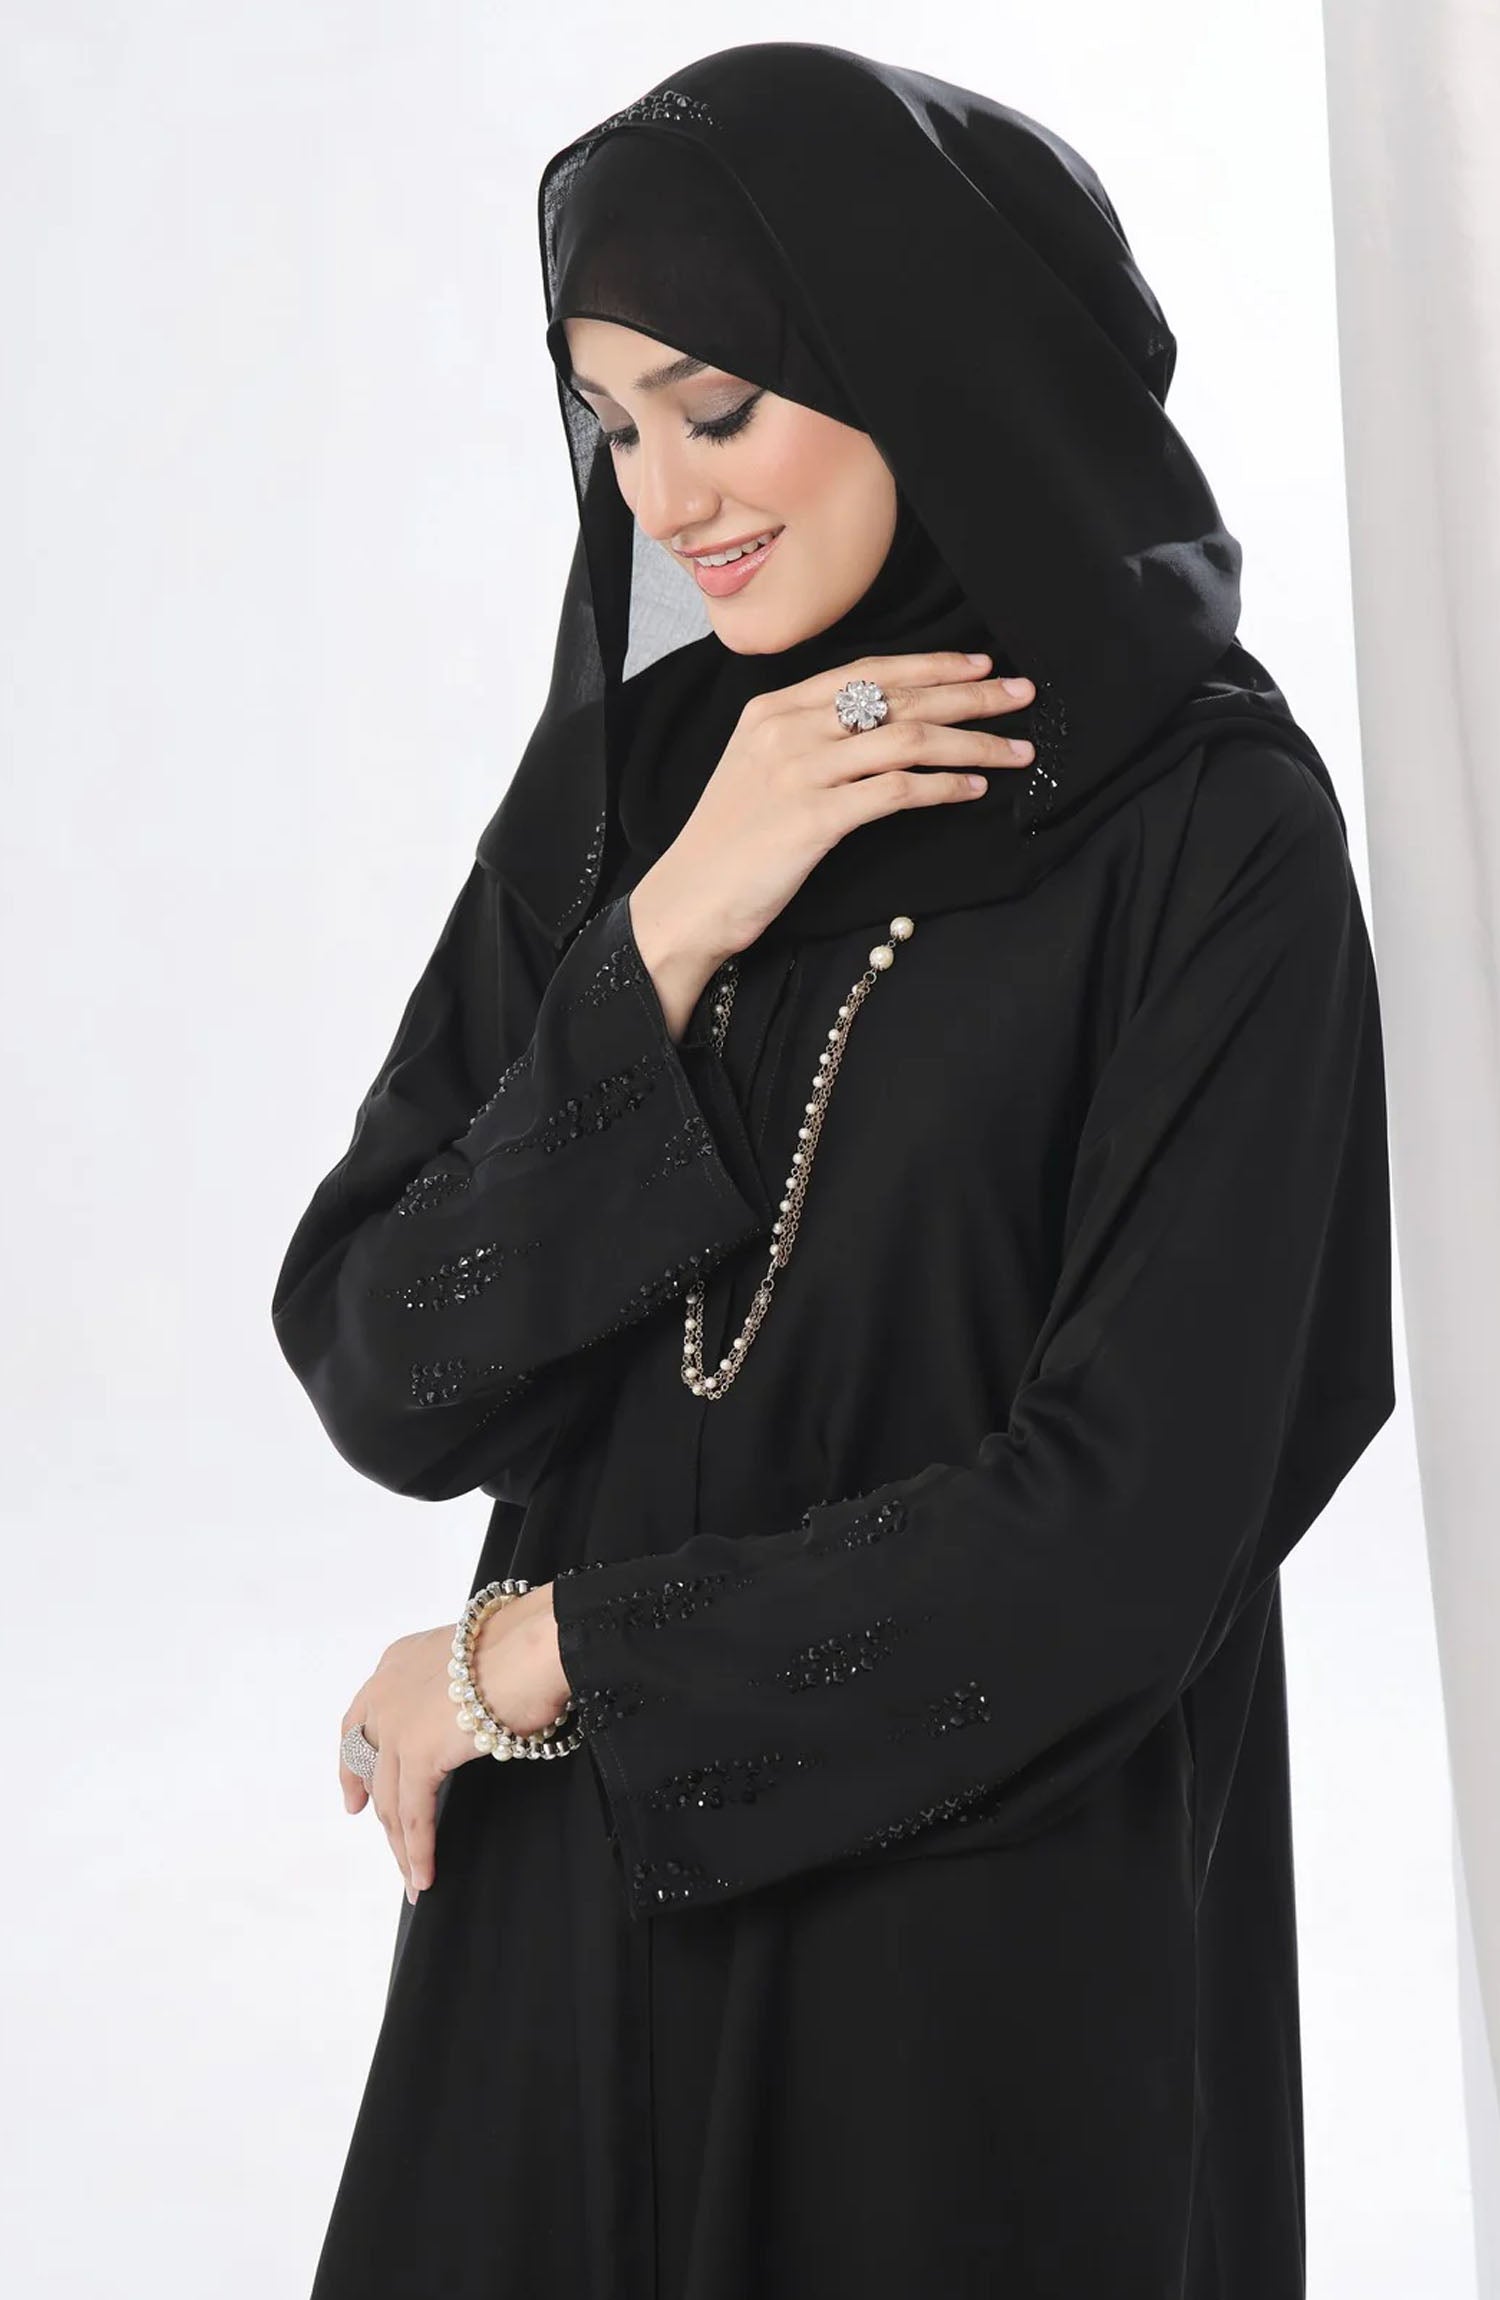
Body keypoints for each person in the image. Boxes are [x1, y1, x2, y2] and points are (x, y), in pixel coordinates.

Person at [271, 42, 1396, 2300]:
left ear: (911, 362)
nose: (667, 496)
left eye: (716, 405)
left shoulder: (1213, 845)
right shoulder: (639, 790)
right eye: (612, 425)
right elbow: (387, 1362)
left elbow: (1129, 1534)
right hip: (563, 1960)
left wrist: (563, 1653)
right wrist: (674, 927)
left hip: (969, 1986)